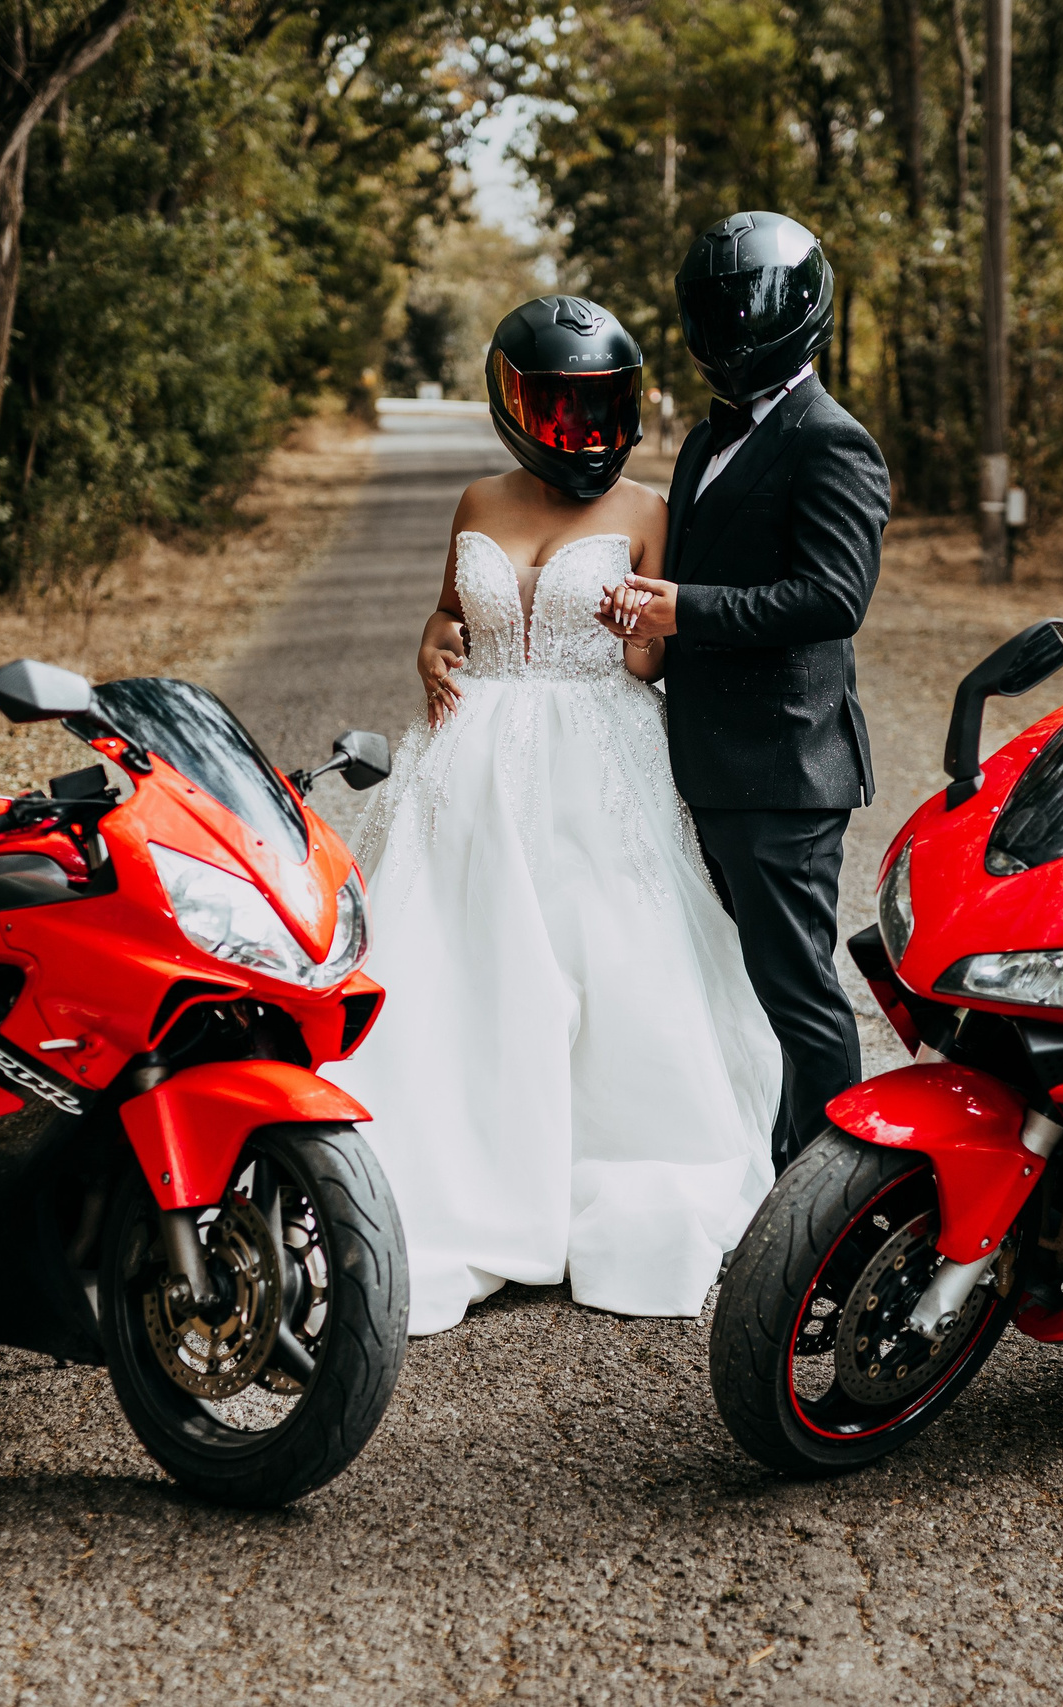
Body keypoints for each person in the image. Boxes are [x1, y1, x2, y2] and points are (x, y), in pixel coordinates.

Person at [329, 295, 779, 1337]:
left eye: (599, 406)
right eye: (560, 405)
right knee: (455, 961)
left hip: (597, 756)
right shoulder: (475, 499)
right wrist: (429, 642)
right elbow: (455, 616)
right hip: (471, 761)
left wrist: (642, 625)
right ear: (516, 402)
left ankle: (606, 1170)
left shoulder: (647, 511)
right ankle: (459, 1174)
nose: (581, 428)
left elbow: (651, 655)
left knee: (612, 959)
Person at [596, 211, 891, 1173]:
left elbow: (833, 597)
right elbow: (690, 576)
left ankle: (838, 1203)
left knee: (799, 993)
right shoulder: (701, 443)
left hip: (783, 768)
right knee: (730, 981)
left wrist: (688, 609)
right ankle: (766, 1162)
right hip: (704, 760)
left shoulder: (833, 442)